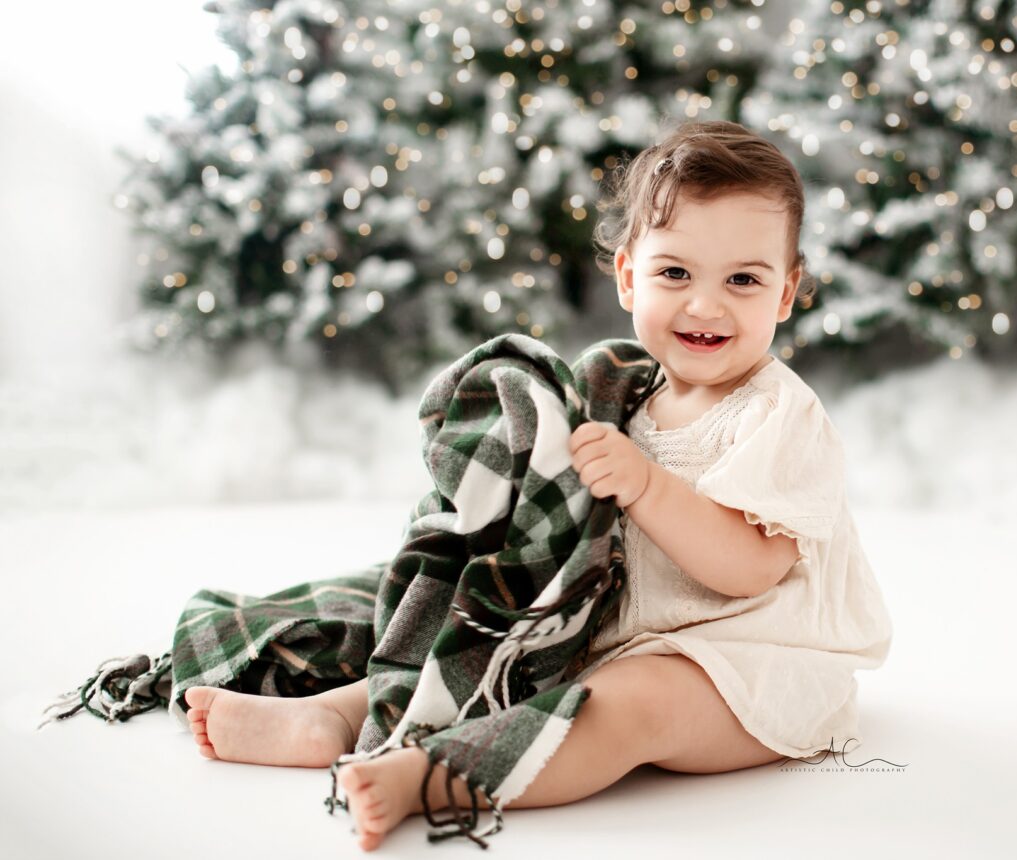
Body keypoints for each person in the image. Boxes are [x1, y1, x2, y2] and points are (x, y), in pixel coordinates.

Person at [181, 119, 893, 852]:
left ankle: (426, 778)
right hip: (614, 633)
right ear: (627, 276)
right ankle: (334, 715)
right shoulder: (621, 394)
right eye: (675, 273)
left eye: (742, 279)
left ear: (786, 294)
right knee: (488, 644)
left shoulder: (779, 414)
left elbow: (750, 568)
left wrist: (646, 486)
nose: (705, 306)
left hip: (752, 668)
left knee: (629, 707)